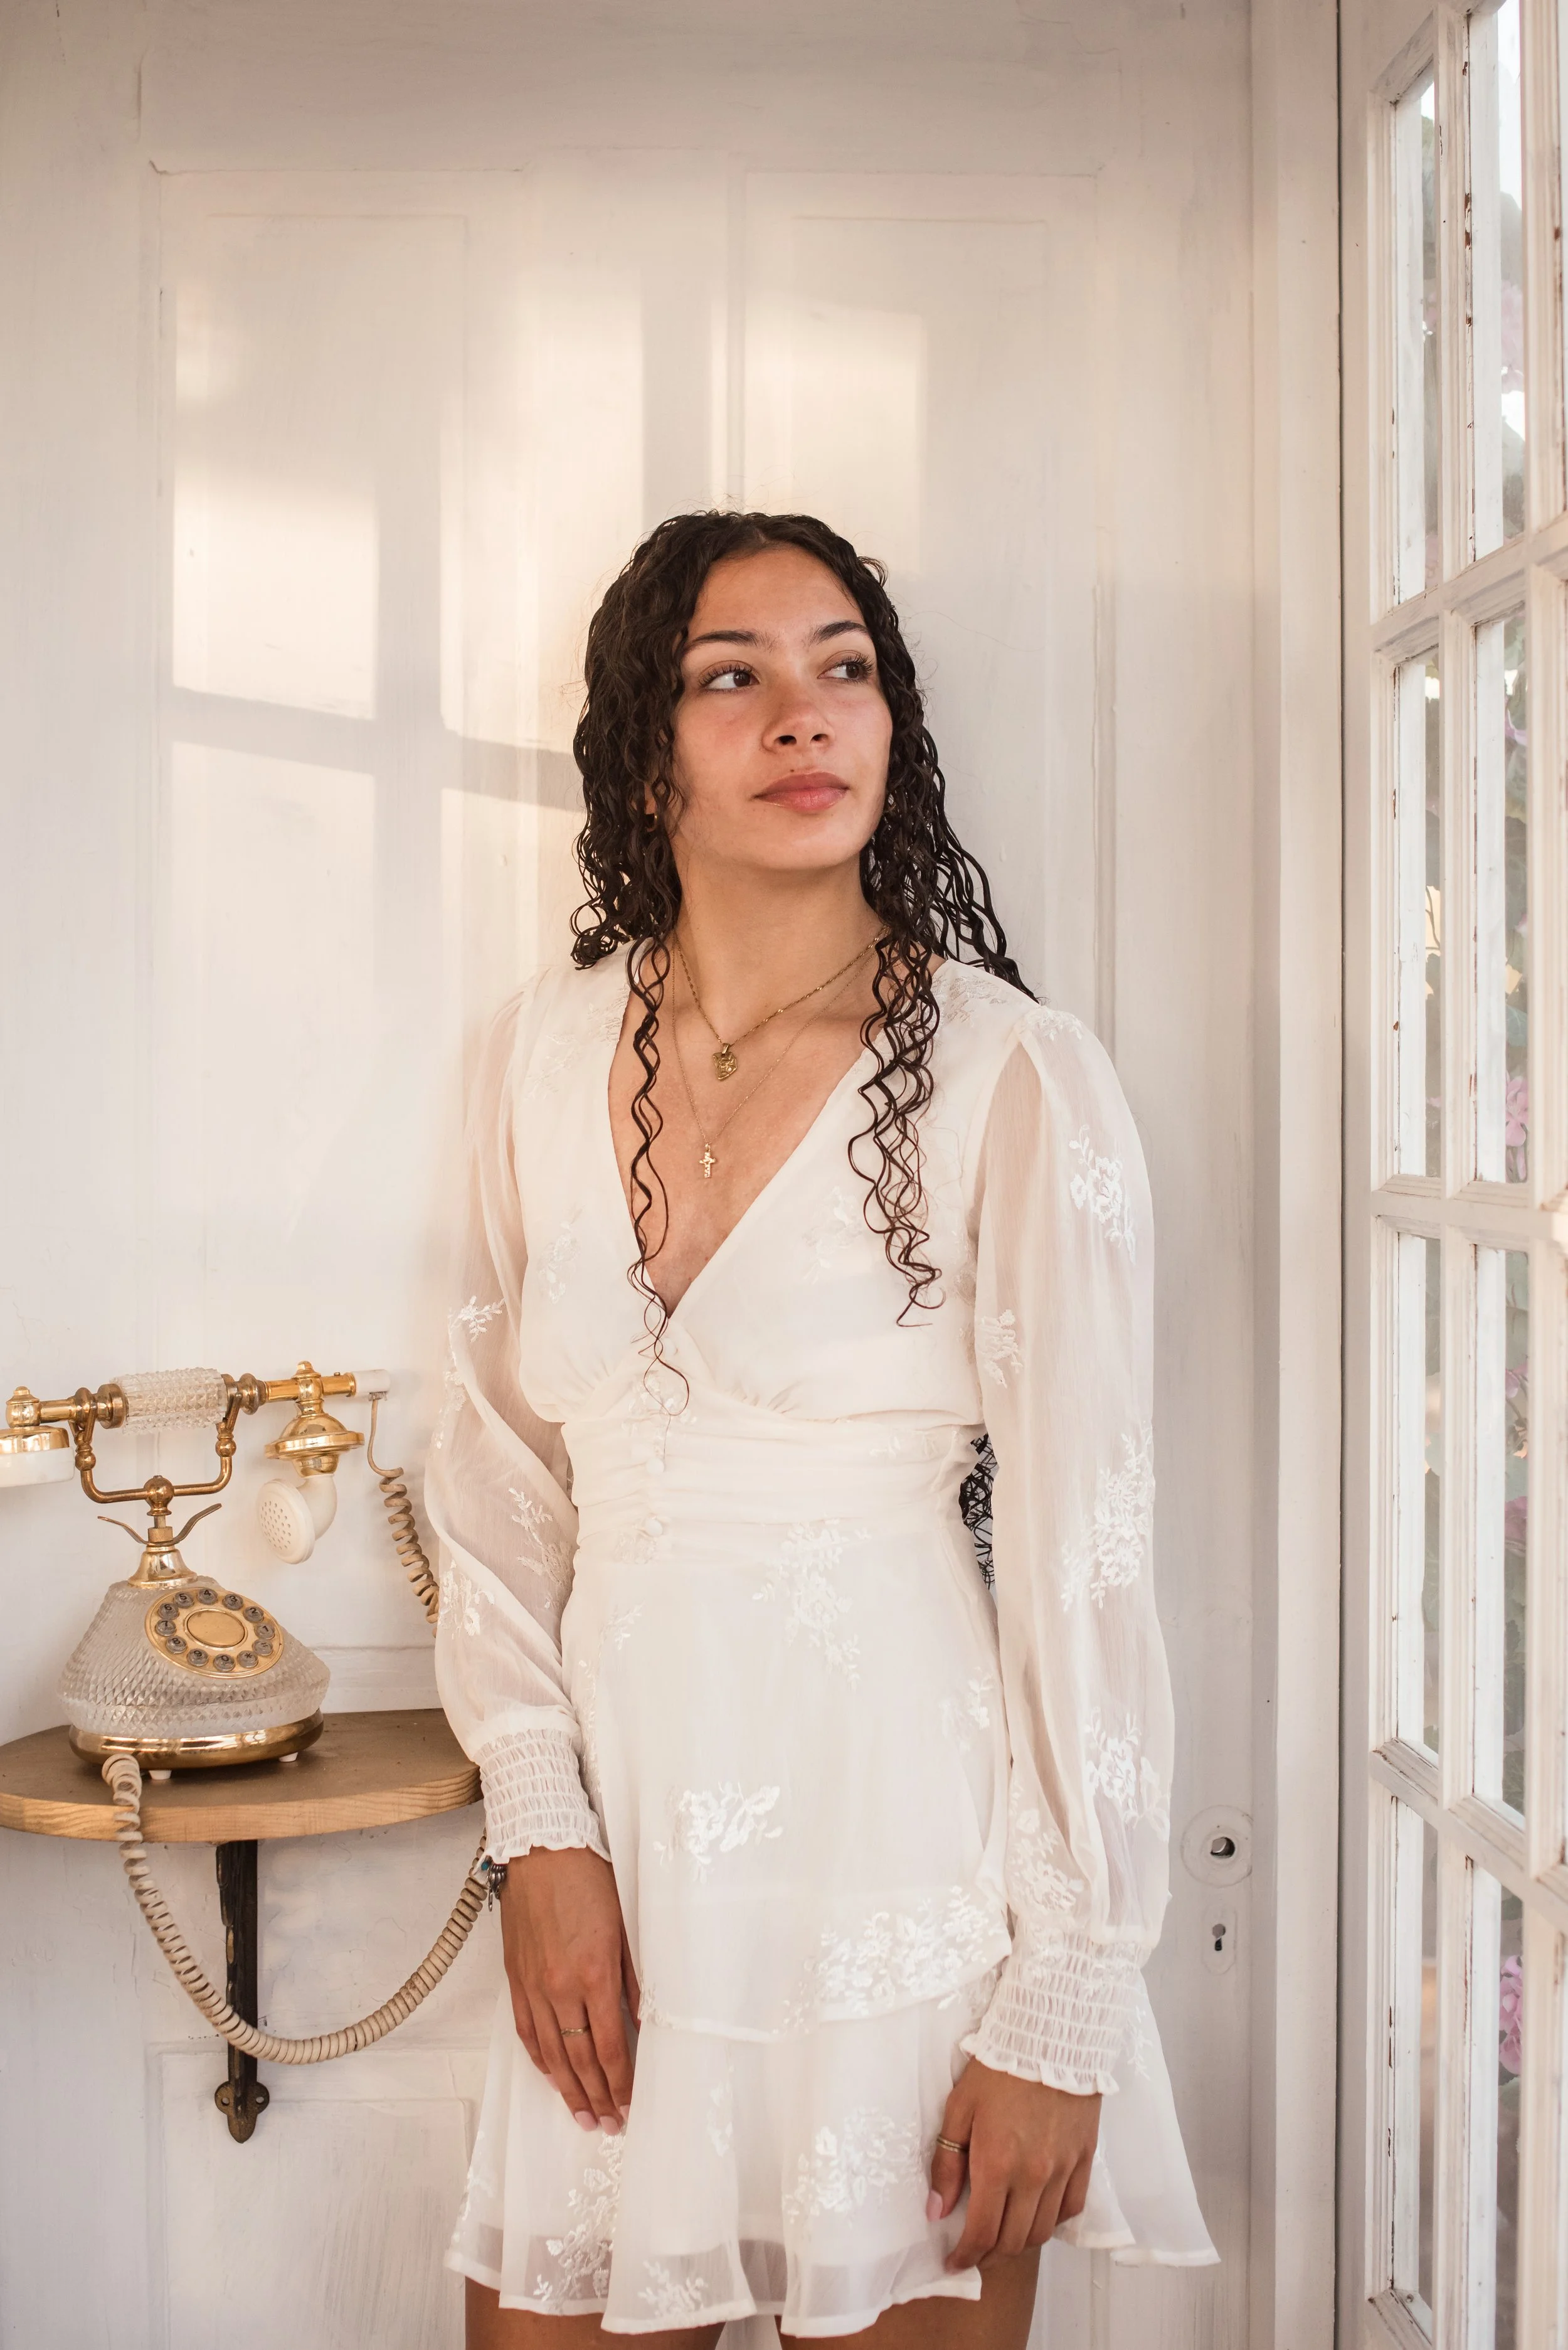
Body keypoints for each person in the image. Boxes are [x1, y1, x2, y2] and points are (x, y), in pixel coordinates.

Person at [426, 511, 1216, 2350]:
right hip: (614, 1890)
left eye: (841, 667)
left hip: (911, 1877)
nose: (803, 716)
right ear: (645, 765)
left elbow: (1089, 1561)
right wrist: (539, 1837)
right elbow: (487, 1474)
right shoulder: (532, 1060)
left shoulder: (1016, 1074)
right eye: (733, 677)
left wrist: (1060, 2005)